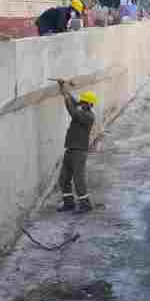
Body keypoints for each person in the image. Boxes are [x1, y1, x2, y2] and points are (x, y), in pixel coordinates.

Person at [55, 80, 96, 213]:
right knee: (63, 179)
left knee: (78, 179)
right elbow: (72, 101)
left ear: (90, 104)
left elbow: (72, 110)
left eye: (84, 102)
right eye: (82, 101)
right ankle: (69, 203)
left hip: (79, 152)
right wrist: (63, 88)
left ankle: (85, 204)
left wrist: (67, 97)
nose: (81, 103)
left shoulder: (88, 116)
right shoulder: (82, 110)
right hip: (70, 150)